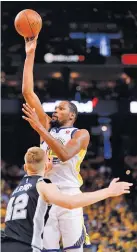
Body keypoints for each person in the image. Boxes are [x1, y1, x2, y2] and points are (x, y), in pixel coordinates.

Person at [1, 146, 133, 252]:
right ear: (47, 166)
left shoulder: (18, 189)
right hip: (26, 247)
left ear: (25, 168)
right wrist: (109, 191)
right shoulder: (43, 185)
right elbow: (71, 203)